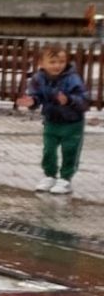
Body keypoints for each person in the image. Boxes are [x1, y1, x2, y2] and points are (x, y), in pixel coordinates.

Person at [16, 46, 89, 195]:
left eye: (61, 61)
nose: (57, 65)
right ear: (42, 63)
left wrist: (68, 100)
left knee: (70, 150)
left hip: (72, 122)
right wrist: (32, 102)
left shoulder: (72, 78)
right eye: (53, 62)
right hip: (51, 120)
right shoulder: (38, 78)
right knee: (49, 150)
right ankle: (49, 175)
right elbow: (37, 96)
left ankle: (65, 179)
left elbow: (84, 100)